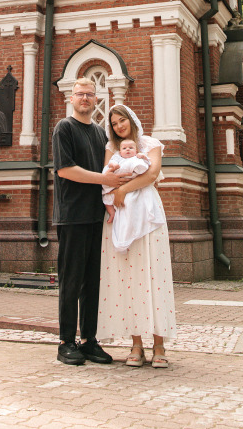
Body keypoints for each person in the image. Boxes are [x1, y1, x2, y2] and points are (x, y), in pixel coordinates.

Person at [52, 78, 130, 366]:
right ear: (71, 99)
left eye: (89, 94)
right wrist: (105, 179)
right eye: (80, 94)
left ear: (96, 100)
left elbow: (112, 167)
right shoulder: (64, 128)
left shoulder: (100, 134)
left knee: (92, 283)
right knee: (70, 281)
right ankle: (65, 342)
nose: (85, 98)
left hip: (97, 216)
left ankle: (88, 341)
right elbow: (65, 170)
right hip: (72, 216)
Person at [96, 104, 177, 369]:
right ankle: (136, 344)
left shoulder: (150, 143)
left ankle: (159, 344)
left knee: (153, 275)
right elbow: (107, 176)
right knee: (128, 278)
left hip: (148, 215)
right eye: (115, 123)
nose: (120, 126)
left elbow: (152, 174)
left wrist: (123, 189)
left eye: (122, 121)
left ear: (131, 119)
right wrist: (117, 192)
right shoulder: (112, 148)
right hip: (121, 216)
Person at [101, 139, 166, 253]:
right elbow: (109, 167)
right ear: (120, 151)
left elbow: (150, 171)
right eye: (124, 148)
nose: (127, 150)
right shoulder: (116, 155)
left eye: (131, 148)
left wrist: (142, 158)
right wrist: (113, 166)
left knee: (132, 210)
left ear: (136, 150)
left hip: (139, 192)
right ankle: (111, 213)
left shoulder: (140, 154)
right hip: (115, 190)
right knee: (106, 197)